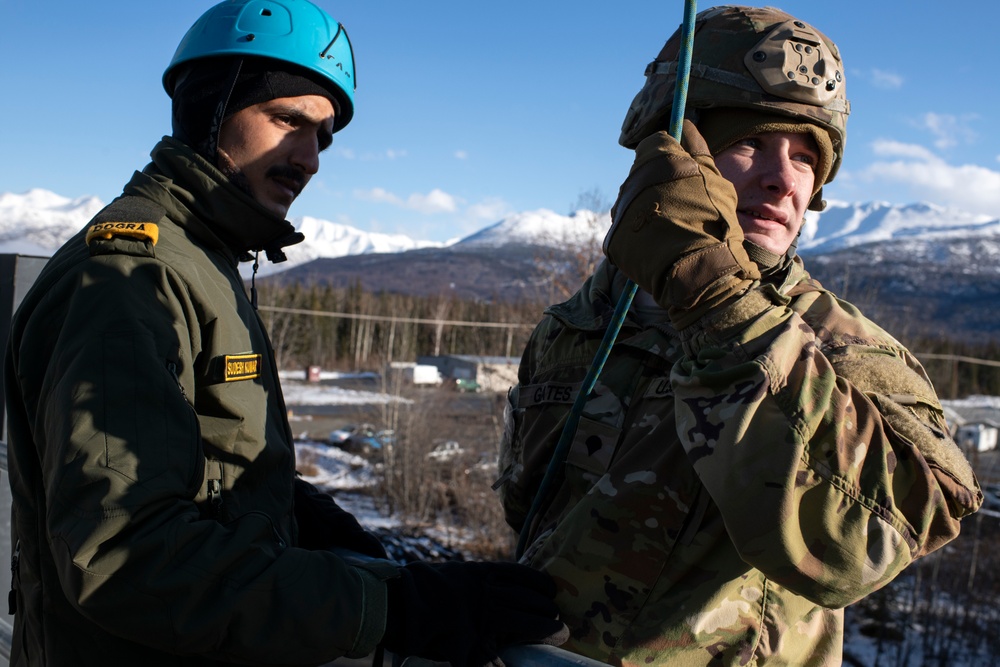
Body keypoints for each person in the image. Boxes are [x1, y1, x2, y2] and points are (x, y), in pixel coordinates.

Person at [3, 1, 567, 665]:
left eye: (323, 138)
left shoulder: (204, 262)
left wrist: (293, 510)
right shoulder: (131, 277)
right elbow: (124, 554)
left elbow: (194, 464)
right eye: (288, 121)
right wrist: (387, 607)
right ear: (208, 108)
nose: (309, 159)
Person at [495, 6, 983, 666]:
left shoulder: (852, 351)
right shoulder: (577, 325)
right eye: (752, 142)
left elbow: (863, 543)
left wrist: (717, 300)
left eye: (807, 158)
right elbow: (533, 516)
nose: (784, 180)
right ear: (671, 149)